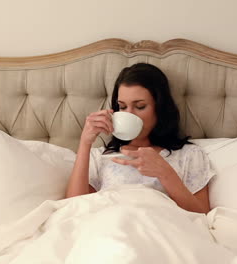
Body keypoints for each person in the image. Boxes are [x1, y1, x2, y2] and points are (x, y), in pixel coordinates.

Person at [65, 63, 215, 214]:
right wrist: (85, 143)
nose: (129, 114)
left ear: (160, 108)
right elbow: (72, 210)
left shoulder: (189, 155)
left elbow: (202, 215)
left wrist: (165, 173)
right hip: (110, 228)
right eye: (123, 107)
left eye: (140, 106)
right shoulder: (99, 157)